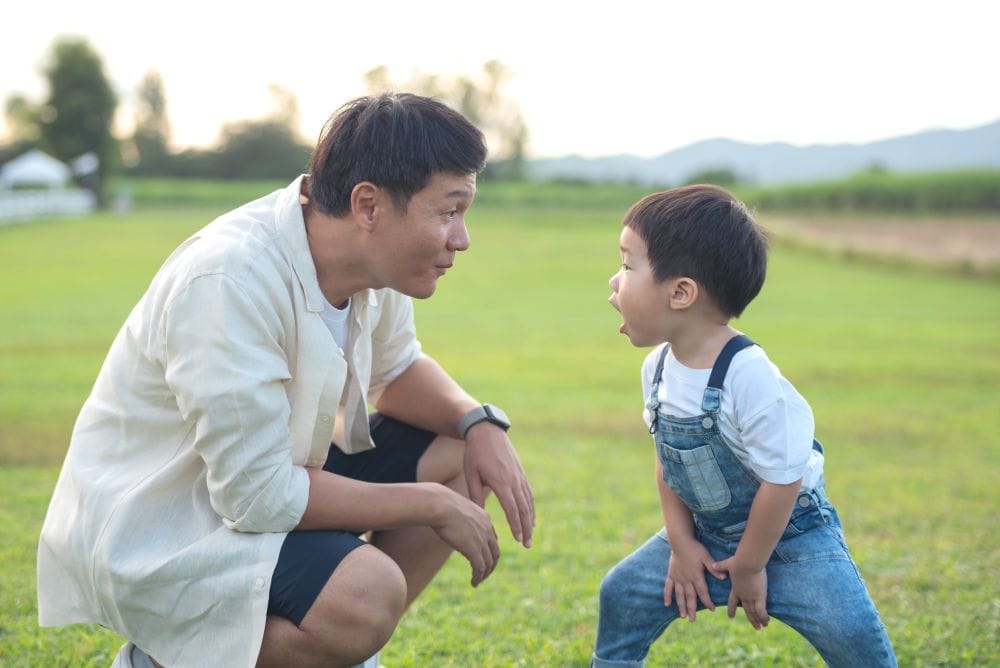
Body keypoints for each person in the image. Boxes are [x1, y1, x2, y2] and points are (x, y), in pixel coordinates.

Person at [37, 93, 535, 668]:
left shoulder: (373, 269)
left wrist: (479, 422)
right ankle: (162, 660)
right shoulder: (230, 276)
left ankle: (333, 651)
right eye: (449, 211)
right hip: (169, 525)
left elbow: (395, 372)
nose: (462, 238)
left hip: (267, 485)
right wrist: (428, 505)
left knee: (454, 449)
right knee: (365, 592)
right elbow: (257, 496)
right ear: (368, 205)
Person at [593, 185, 896, 667]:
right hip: (705, 536)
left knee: (851, 631)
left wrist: (752, 567)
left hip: (792, 536)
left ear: (681, 292)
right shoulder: (658, 368)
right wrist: (681, 542)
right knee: (623, 593)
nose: (613, 281)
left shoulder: (748, 375)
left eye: (628, 265)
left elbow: (783, 478)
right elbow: (668, 461)